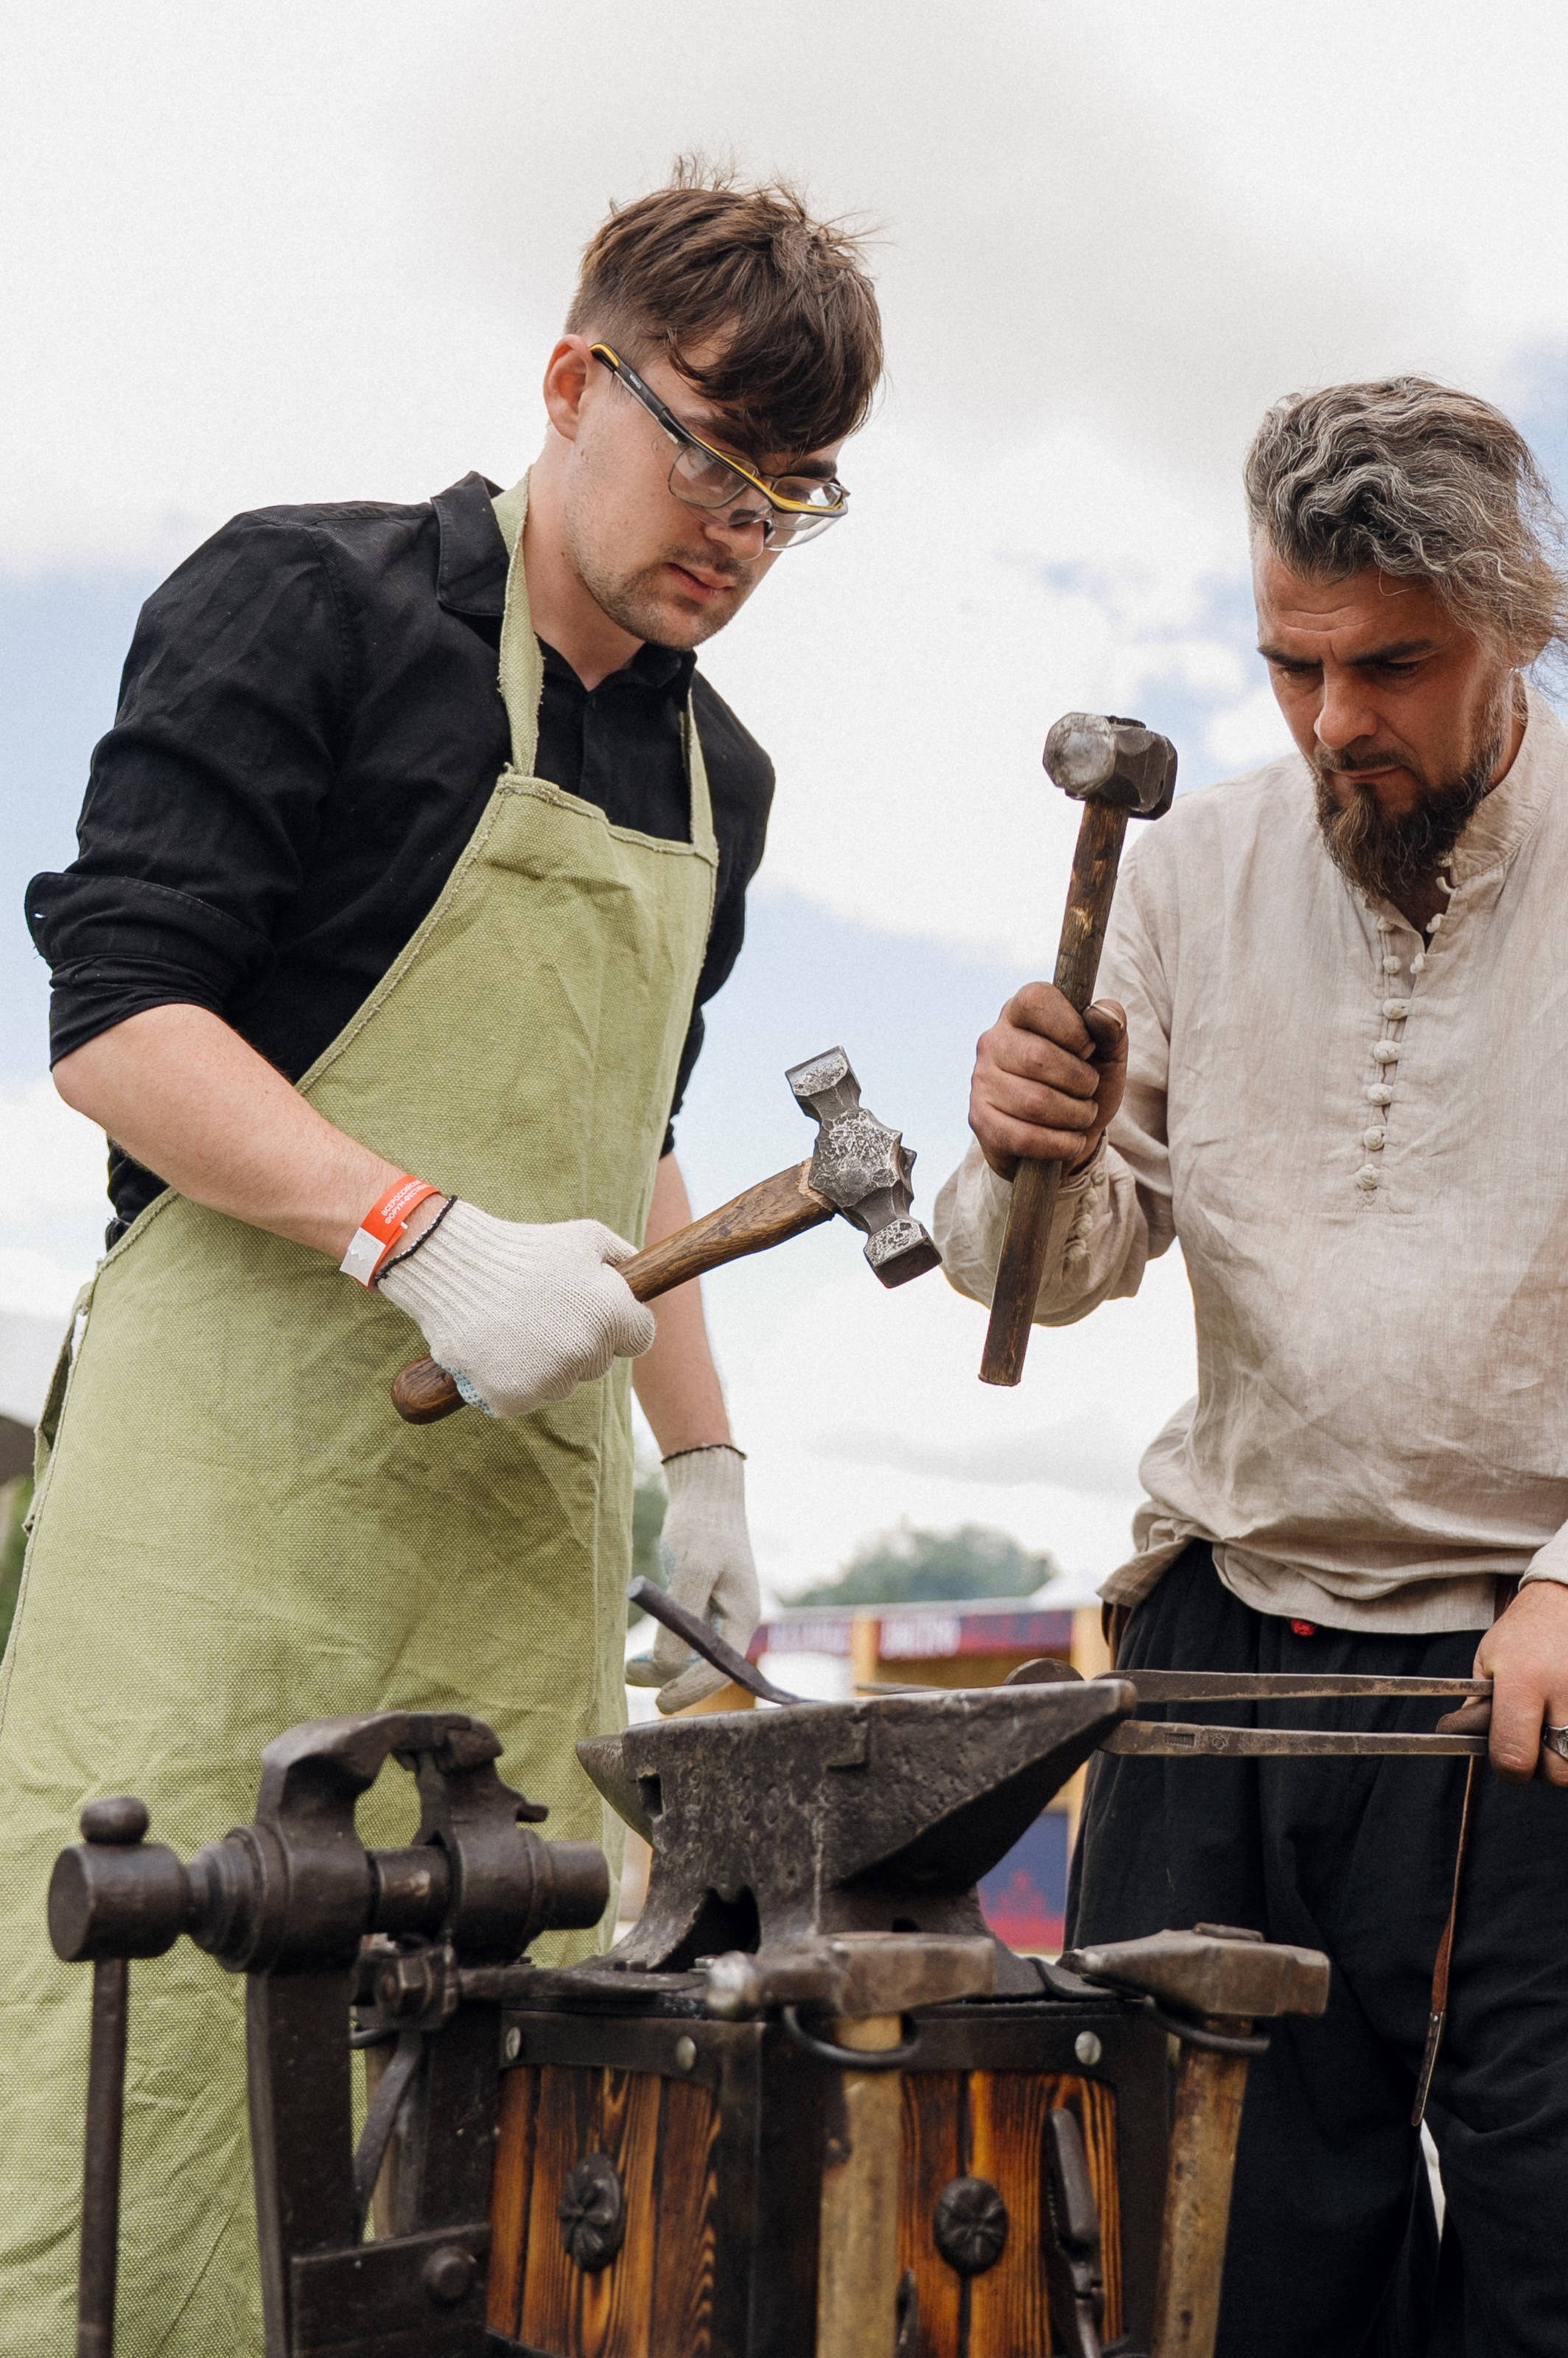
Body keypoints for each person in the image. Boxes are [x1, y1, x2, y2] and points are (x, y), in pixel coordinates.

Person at [0, 169, 880, 2352]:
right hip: (232, 1512)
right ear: (573, 380)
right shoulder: (304, 600)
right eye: (713, 456)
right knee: (152, 2105)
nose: (742, 533)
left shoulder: (720, 773)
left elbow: (635, 1135)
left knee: (496, 2134)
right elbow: (121, 1021)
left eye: (795, 499)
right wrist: (411, 1233)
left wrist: (712, 1465)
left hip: (516, 1545)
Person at [937, 379, 1568, 2357]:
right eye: (1294, 664)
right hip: (1233, 1689)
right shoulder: (1184, 872)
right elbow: (1065, 1264)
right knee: (1210, 2303)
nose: (1333, 718)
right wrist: (1028, 1147)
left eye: (1393, 666)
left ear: (1518, 622)